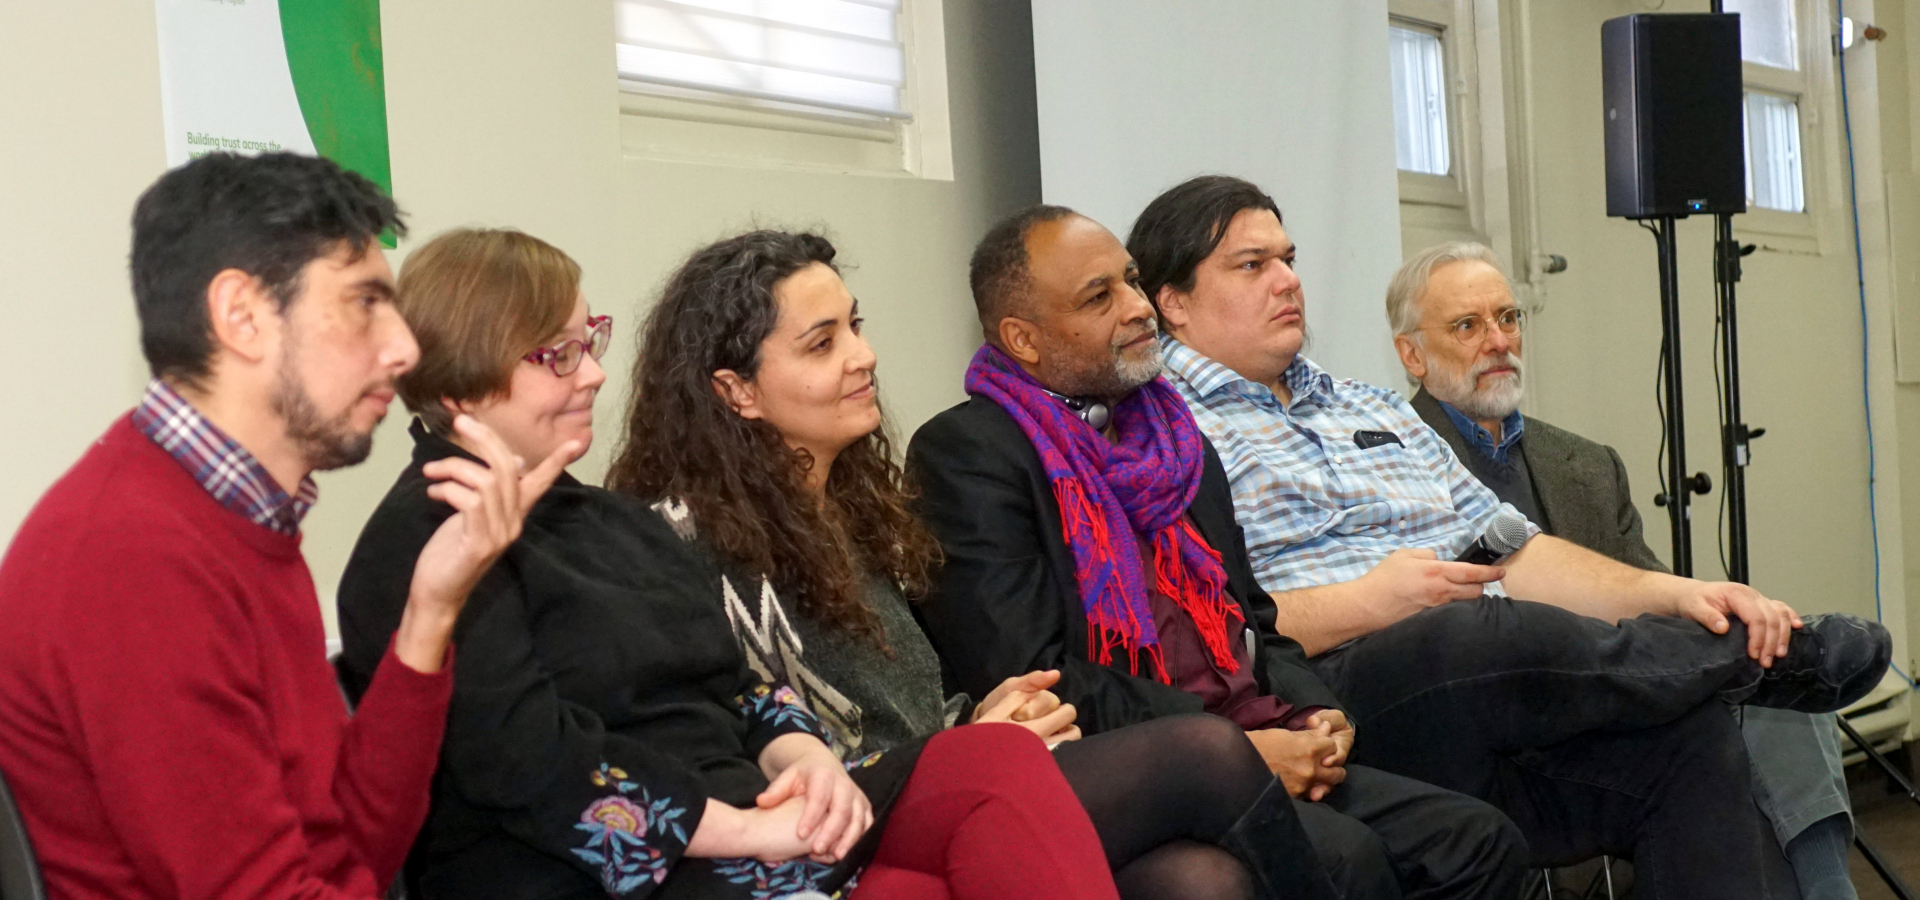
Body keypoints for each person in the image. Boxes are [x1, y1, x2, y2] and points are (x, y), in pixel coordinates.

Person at [1126, 173, 1892, 899]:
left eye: (1287, 259)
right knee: (1465, 628)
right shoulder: (1155, 436)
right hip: (1336, 694)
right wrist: (1371, 601)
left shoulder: (1368, 405)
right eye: (1252, 265)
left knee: (1690, 748)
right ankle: (1744, 663)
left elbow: (1519, 552)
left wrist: (1688, 595)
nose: (1287, 280)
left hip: (1486, 700)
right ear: (1175, 304)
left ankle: (1725, 659)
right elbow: (1202, 631)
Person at [335, 227, 1121, 900]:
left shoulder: (607, 519)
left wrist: (805, 758)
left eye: (592, 341)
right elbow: (530, 770)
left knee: (987, 783)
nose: (595, 373)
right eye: (559, 355)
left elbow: (740, 682)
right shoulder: (424, 546)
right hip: (606, 871)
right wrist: (748, 828)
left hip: (746, 836)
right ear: (467, 381)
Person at [606, 228, 1339, 900]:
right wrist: (975, 745)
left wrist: (989, 719)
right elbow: (746, 739)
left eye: (855, 327)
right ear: (736, 391)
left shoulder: (859, 511)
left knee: (1199, 882)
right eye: (822, 344)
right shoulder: (683, 543)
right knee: (1204, 751)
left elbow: (920, 707)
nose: (864, 357)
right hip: (839, 814)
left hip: (946, 776)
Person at [908, 205, 1531, 900]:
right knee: (1348, 860)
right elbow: (1032, 675)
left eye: (1134, 282)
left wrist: (1315, 715)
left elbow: (1256, 626)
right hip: (1136, 766)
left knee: (1476, 842)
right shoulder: (970, 454)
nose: (1139, 308)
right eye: (1099, 296)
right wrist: (1233, 750)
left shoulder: (1175, 442)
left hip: (1252, 734)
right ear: (1023, 338)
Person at [0, 153, 567, 900]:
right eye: (365, 302)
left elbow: (355, 850)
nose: (404, 348)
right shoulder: (130, 554)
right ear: (241, 316)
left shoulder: (243, 515)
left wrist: (431, 612)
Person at [1387, 241, 1858, 900]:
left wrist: (1735, 622)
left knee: (1776, 674)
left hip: (1633, 686)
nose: (1498, 341)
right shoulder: (1383, 465)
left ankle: (1827, 888)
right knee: (1748, 684)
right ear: (1412, 354)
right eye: (1468, 326)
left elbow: (1653, 594)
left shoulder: (1585, 463)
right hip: (1513, 721)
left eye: (1508, 318)